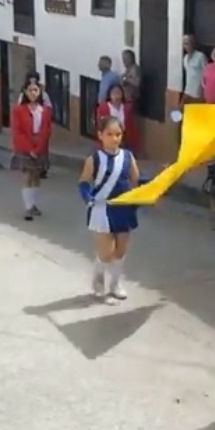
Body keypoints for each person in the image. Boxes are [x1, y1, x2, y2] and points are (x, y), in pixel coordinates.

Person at [78, 116, 142, 303]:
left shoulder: (128, 157)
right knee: (106, 252)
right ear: (100, 135)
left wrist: (156, 185)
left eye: (118, 134)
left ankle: (115, 284)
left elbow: (136, 180)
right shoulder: (94, 159)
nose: (115, 138)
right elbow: (83, 182)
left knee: (120, 250)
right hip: (102, 209)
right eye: (110, 134)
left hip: (124, 209)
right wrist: (87, 197)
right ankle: (99, 281)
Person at [11, 79, 52, 221]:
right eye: (30, 90)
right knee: (27, 177)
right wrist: (30, 149)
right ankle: (28, 207)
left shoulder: (44, 110)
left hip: (40, 147)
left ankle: (35, 205)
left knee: (36, 177)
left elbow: (46, 130)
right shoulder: (18, 110)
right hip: (24, 148)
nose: (33, 93)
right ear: (25, 92)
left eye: (35, 90)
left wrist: (39, 147)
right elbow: (18, 132)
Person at [96, 83, 138, 152]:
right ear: (109, 95)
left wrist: (134, 143)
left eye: (118, 93)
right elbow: (101, 125)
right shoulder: (103, 108)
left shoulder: (127, 108)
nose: (117, 96)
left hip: (124, 140)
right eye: (114, 93)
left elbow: (131, 126)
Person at [180, 34, 207, 107]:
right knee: (180, 111)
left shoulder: (200, 56)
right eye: (183, 43)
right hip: (187, 91)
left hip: (198, 93)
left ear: (192, 43)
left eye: (187, 43)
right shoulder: (185, 58)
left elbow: (207, 73)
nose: (185, 46)